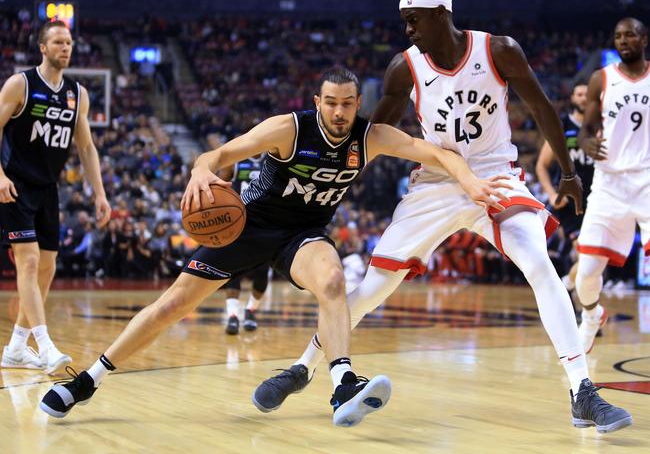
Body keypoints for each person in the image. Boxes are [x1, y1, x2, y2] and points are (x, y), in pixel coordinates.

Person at [253, 0, 633, 434]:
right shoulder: (403, 67)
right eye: (404, 21)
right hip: (434, 181)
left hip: (495, 176)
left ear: (440, 15)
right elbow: (375, 136)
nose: (407, 29)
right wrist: (338, 180)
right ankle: (304, 367)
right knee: (373, 289)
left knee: (539, 264)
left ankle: (581, 390)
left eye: (414, 20)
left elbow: (542, 108)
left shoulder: (498, 50)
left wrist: (569, 174)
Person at [40, 67, 509, 427]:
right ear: (317, 102)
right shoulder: (288, 128)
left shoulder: (370, 137)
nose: (340, 112)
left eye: (348, 103)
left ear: (357, 103)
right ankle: (87, 381)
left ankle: (343, 382)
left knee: (332, 278)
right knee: (171, 306)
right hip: (249, 226)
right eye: (331, 103)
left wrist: (470, 183)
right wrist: (202, 170)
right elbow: (218, 154)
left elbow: (435, 153)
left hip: (301, 235)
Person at [0, 20, 111, 375]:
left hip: (48, 189)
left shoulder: (77, 93)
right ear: (43, 48)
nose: (66, 48)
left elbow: (86, 146)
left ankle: (17, 347)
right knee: (29, 263)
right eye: (59, 42)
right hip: (14, 185)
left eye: (70, 43)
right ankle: (45, 346)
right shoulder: (21, 84)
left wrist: (100, 194)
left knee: (47, 267)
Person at [575, 17, 650, 354]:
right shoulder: (600, 79)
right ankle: (592, 316)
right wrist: (587, 142)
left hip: (647, 180)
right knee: (586, 274)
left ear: (644, 39)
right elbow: (585, 130)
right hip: (609, 185)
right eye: (618, 36)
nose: (623, 40)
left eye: (630, 34)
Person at [535, 83, 593, 299]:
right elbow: (541, 165)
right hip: (571, 203)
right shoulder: (562, 126)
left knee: (593, 260)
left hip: (596, 199)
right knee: (587, 255)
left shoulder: (601, 126)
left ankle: (565, 287)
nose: (584, 98)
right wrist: (551, 193)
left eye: (588, 94)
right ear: (572, 98)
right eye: (579, 94)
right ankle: (585, 310)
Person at [219, 154, 269, 335]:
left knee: (262, 273)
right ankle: (232, 316)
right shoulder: (237, 160)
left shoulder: (273, 158)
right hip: (238, 222)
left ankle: (250, 310)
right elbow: (218, 186)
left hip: (266, 222)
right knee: (233, 272)